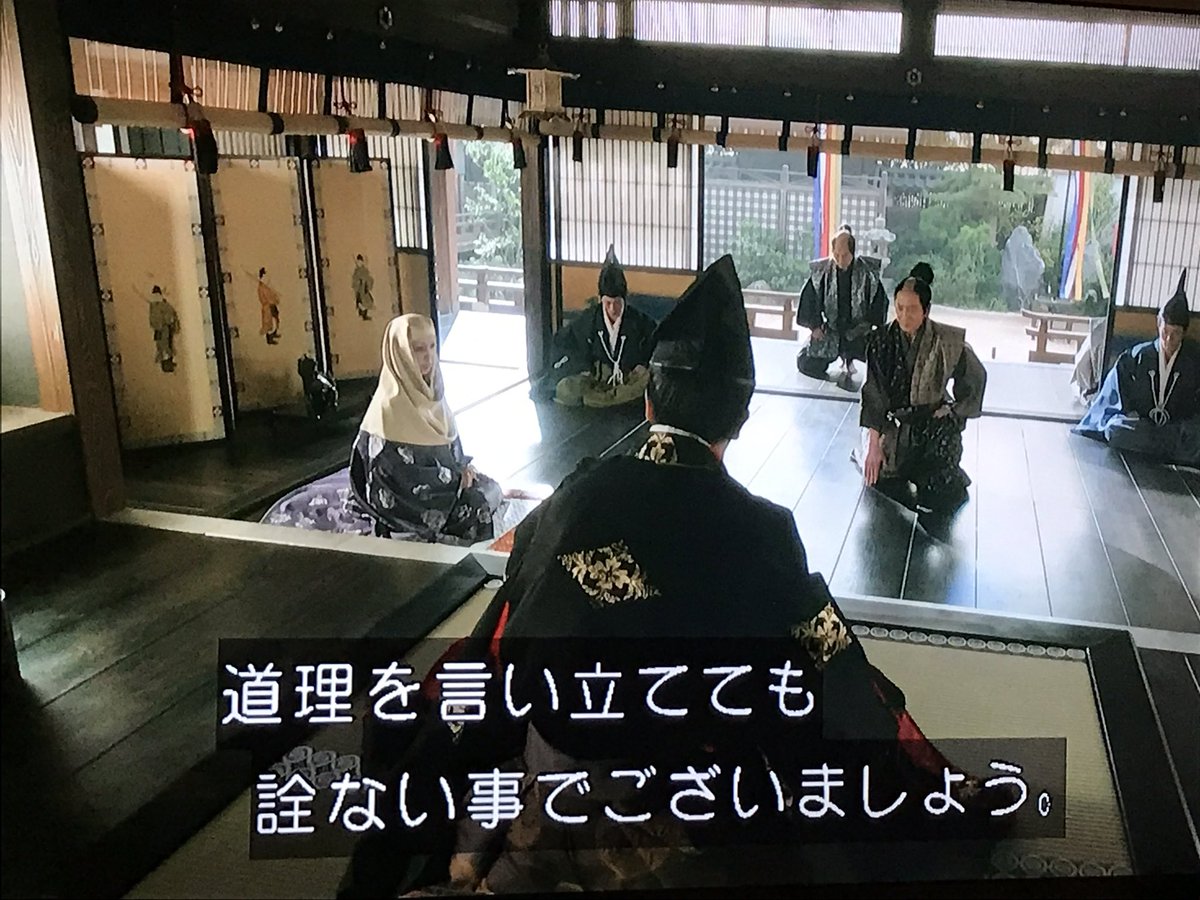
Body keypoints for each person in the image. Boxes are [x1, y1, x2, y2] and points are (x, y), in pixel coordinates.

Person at [337, 257, 1015, 898]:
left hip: (545, 784)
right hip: (678, 813)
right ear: (740, 421)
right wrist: (912, 761)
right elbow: (833, 665)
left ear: (648, 405)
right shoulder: (762, 530)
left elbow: (508, 624)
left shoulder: (575, 494)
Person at [348, 314, 502, 544]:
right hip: (408, 501)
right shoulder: (388, 409)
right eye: (419, 349)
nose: (428, 357)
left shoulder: (433, 396)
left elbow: (453, 454)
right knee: (477, 507)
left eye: (432, 346)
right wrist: (455, 482)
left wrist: (463, 471)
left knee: (491, 489)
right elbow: (394, 479)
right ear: (400, 352)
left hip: (444, 486)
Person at [854, 265, 986, 519]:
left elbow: (975, 376)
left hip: (932, 422)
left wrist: (954, 410)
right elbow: (874, 394)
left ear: (926, 310)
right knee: (881, 477)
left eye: (912, 309)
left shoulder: (947, 340)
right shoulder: (881, 340)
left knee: (938, 489)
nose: (904, 315)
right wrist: (873, 445)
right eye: (899, 308)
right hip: (894, 425)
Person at [1073, 270, 1199, 467]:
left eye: (1175, 333)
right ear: (1158, 324)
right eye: (1165, 331)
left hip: (1175, 433)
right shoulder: (1135, 357)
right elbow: (1112, 401)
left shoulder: (1194, 362)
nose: (1168, 339)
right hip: (1142, 430)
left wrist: (1185, 428)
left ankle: (1160, 448)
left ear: (1184, 332)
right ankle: (1165, 451)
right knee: (1116, 429)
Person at [531, 245, 655, 408]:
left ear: (624, 299)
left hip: (628, 379)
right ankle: (607, 398)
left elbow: (654, 347)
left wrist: (641, 365)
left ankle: (601, 399)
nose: (613, 308)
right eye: (608, 303)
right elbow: (565, 344)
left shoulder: (639, 320)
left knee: (647, 381)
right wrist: (583, 368)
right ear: (600, 299)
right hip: (596, 378)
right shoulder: (589, 319)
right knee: (566, 387)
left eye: (617, 302)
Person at [795, 225, 888, 381]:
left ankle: (852, 357)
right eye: (836, 255)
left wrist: (872, 327)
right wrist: (815, 326)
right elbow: (809, 300)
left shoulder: (868, 273)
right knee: (805, 362)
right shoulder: (822, 271)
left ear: (853, 252)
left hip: (859, 332)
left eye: (844, 255)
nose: (840, 260)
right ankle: (839, 356)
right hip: (831, 331)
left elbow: (879, 304)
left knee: (884, 364)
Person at [146, 284, 180, 373]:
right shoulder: (154, 306)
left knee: (167, 345)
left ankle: (168, 363)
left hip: (166, 329)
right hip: (160, 330)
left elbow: (170, 315)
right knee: (162, 347)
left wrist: (171, 323)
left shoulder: (163, 305)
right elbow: (153, 319)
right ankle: (165, 365)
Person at [256, 267, 281, 345]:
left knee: (276, 320)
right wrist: (273, 300)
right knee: (269, 323)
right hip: (268, 306)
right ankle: (269, 338)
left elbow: (271, 294)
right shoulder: (261, 287)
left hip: (271, 305)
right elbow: (266, 297)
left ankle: (274, 333)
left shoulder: (266, 285)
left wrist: (275, 297)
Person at [352, 254, 376, 321]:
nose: (359, 263)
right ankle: (362, 314)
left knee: (367, 301)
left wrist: (368, 283)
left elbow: (369, 278)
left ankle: (364, 315)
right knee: (360, 301)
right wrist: (357, 284)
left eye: (360, 262)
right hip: (359, 289)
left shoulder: (365, 270)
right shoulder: (356, 271)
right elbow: (354, 279)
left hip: (364, 288)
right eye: (358, 262)